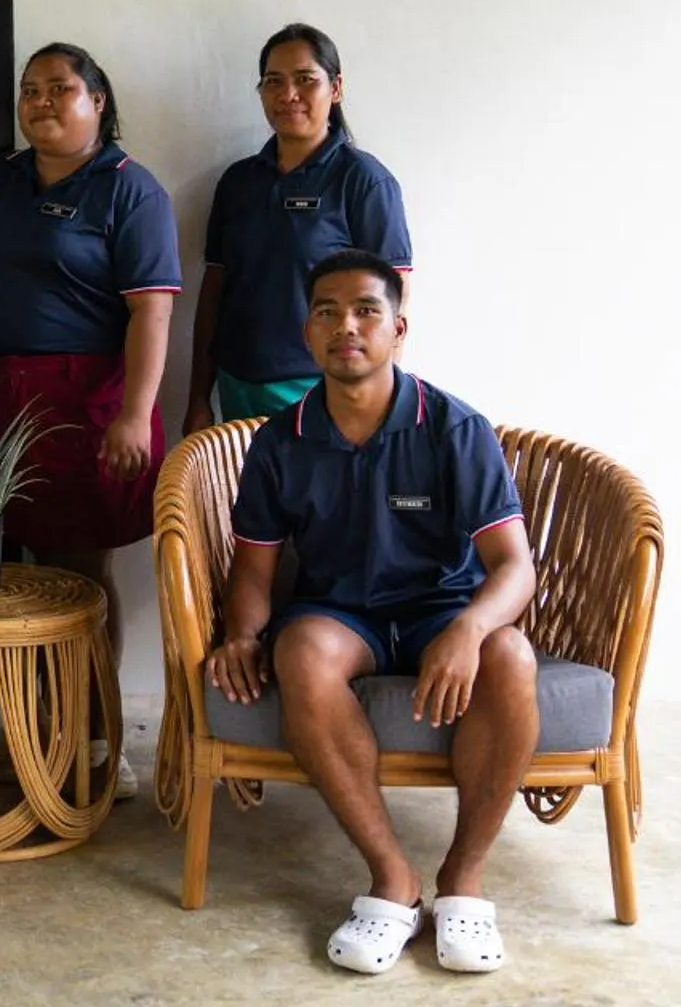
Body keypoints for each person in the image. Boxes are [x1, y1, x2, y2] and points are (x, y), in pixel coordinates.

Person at [205, 249, 538, 977]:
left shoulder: (453, 427)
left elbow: (515, 566)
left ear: (398, 330)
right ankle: (393, 880)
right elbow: (254, 568)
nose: (346, 326)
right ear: (308, 333)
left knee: (511, 655)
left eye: (365, 311)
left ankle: (463, 880)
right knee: (301, 653)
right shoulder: (280, 441)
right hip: (339, 610)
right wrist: (241, 634)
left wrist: (470, 628)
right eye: (327, 312)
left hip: (441, 608)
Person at [0, 42, 181, 799]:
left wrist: (136, 413)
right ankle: (33, 730)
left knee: (79, 578)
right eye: (30, 89)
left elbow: (152, 312)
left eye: (60, 88)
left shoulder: (130, 190)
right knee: (14, 574)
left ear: (98, 102)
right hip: (0, 399)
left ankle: (96, 742)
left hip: (89, 404)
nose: (41, 101)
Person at [184, 24, 412, 434]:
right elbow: (214, 294)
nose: (288, 94)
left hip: (324, 392)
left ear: (335, 88)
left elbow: (393, 300)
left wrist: (376, 407)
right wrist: (198, 397)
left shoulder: (364, 182)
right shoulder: (238, 182)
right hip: (238, 387)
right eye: (274, 81)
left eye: (305, 79)